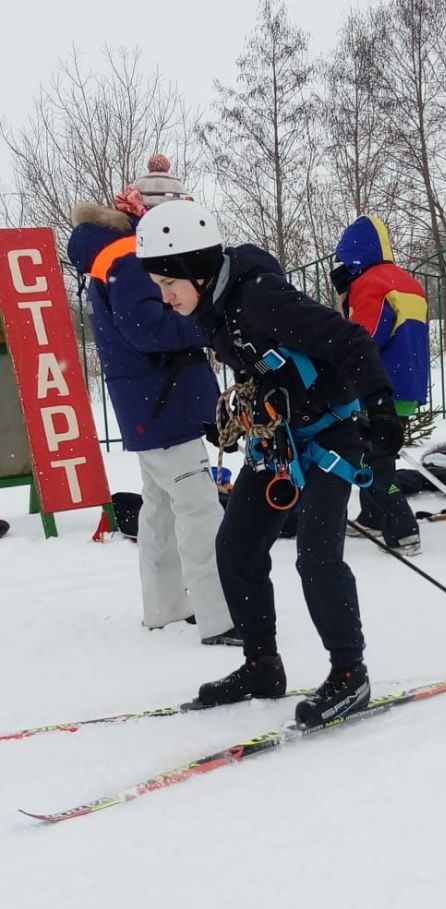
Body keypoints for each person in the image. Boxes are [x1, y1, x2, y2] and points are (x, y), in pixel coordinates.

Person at [136, 200, 403, 727]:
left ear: (195, 267)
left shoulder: (259, 297)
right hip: (279, 440)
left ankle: (351, 675)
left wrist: (380, 404)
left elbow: (348, 339)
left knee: (317, 557)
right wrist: (235, 412)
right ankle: (262, 665)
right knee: (235, 546)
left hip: (330, 433)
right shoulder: (212, 308)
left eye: (169, 283)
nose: (164, 298)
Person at [67, 156, 237, 646]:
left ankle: (165, 607)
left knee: (161, 509)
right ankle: (220, 616)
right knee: (200, 509)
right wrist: (204, 324)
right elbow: (147, 327)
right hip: (164, 402)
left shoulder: (113, 252)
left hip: (150, 403)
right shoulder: (132, 254)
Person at [332, 214, 429, 556]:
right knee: (374, 452)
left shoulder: (371, 283)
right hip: (406, 384)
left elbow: (364, 339)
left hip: (378, 388)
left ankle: (403, 529)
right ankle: (372, 515)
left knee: (376, 461)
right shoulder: (407, 282)